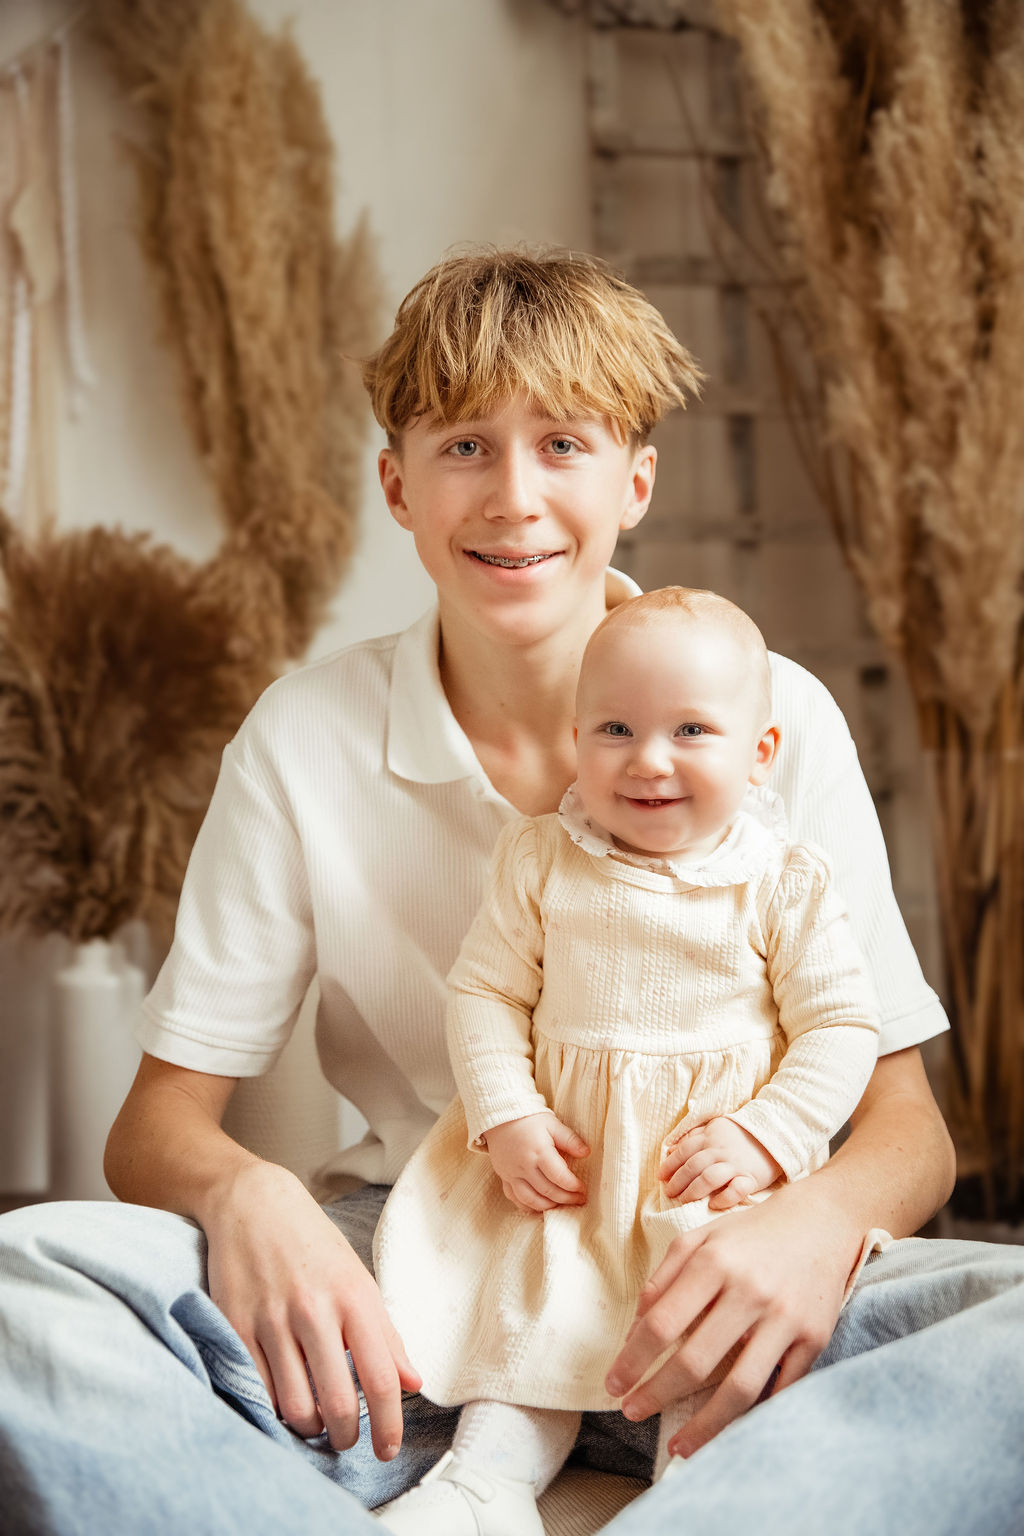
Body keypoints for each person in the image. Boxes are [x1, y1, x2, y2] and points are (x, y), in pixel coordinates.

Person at [0, 247, 1020, 1536]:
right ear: (398, 487)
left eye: (564, 445)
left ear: (634, 482)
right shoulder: (302, 735)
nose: (514, 497)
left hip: (721, 1273)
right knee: (26, 1284)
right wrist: (245, 1192)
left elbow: (905, 1131)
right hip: (419, 1278)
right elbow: (153, 1128)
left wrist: (811, 1223)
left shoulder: (779, 722)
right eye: (464, 447)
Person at [372, 584, 886, 1535]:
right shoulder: (543, 860)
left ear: (759, 754)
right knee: (527, 1326)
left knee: (713, 1347)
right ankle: (485, 1487)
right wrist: (508, 1111)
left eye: (691, 731)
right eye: (615, 728)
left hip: (712, 1190)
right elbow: (486, 993)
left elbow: (843, 1028)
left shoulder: (781, 881)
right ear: (577, 739)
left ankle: (695, 1495)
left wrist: (769, 1135)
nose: (648, 761)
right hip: (570, 1176)